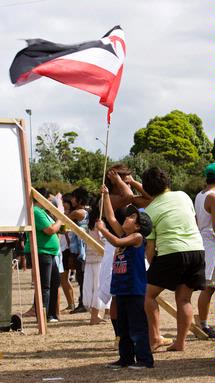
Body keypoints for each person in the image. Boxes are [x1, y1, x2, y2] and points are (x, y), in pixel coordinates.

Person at [142, 167, 205, 352]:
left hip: (172, 252)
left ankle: (154, 339)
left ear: (147, 188)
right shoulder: (184, 196)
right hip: (197, 249)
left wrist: (151, 266)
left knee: (148, 294)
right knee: (184, 299)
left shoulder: (149, 210)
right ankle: (180, 343)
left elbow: (150, 248)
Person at [96, 185, 154, 370]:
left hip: (135, 290)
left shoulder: (136, 237)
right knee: (123, 328)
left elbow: (116, 241)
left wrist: (103, 230)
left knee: (138, 328)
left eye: (131, 217)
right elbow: (111, 217)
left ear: (138, 226)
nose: (126, 218)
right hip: (121, 289)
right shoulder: (125, 233)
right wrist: (105, 196)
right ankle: (126, 358)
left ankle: (145, 360)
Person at [24, 188, 61, 322]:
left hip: (49, 253)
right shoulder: (35, 211)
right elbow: (50, 230)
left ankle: (51, 315)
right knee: (45, 285)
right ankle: (42, 315)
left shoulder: (42, 212)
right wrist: (60, 219)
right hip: (41, 252)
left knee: (54, 282)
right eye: (49, 200)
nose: (50, 203)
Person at [194, 162, 215, 338]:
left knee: (208, 287)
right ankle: (204, 325)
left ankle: (204, 324)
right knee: (208, 288)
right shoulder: (213, 196)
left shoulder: (200, 195)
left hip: (203, 241)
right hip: (212, 244)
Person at [83, 202, 107, 324]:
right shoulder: (100, 223)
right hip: (100, 257)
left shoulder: (90, 223)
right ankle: (94, 316)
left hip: (90, 258)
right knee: (98, 287)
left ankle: (98, 314)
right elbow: (103, 239)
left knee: (91, 287)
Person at [68, 187, 89, 313]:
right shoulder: (88, 211)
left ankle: (83, 303)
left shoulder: (78, 212)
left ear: (79, 199)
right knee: (83, 276)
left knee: (81, 277)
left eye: (73, 197)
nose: (71, 199)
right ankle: (84, 301)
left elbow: (64, 220)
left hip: (80, 248)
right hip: (85, 246)